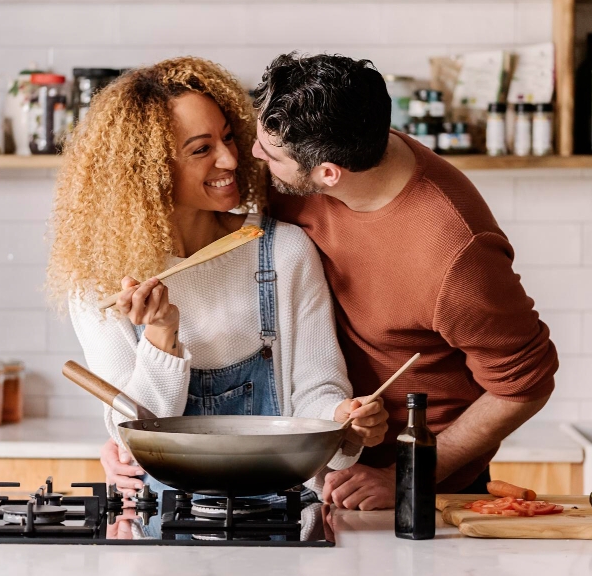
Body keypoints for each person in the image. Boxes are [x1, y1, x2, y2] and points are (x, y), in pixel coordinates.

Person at [47, 56, 388, 502]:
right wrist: (160, 334)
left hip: (283, 510)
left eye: (228, 137)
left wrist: (343, 419)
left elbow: (316, 389)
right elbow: (134, 434)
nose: (231, 157)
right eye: (201, 149)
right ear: (145, 172)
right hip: (160, 516)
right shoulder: (99, 281)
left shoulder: (283, 250)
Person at [245, 53, 559, 511]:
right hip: (309, 458)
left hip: (409, 487)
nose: (254, 156)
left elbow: (525, 387)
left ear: (328, 174)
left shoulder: (457, 255)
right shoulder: (334, 140)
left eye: (269, 155)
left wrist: (404, 477)